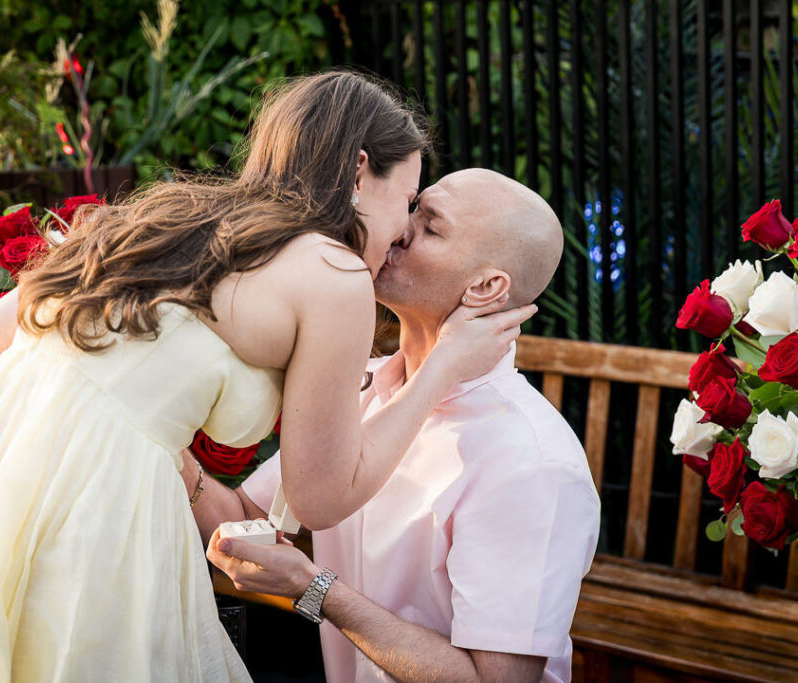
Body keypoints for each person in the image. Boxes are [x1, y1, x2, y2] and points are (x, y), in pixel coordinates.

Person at [0, 74, 534, 682]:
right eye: (407, 198)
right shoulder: (334, 273)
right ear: (360, 170)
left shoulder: (170, 214)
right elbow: (321, 497)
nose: (402, 228)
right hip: (95, 516)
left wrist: (127, 417)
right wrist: (444, 362)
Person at [198, 169, 601, 683]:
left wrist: (315, 588)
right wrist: (150, 433)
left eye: (430, 227)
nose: (399, 229)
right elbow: (242, 516)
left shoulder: (529, 461)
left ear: (486, 287)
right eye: (413, 209)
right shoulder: (358, 384)